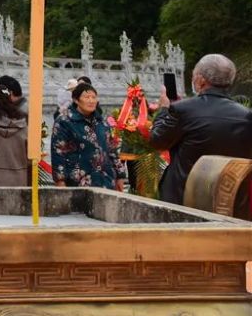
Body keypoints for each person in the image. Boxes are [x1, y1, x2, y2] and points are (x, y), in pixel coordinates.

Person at [150, 54, 252, 206]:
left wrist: (164, 110)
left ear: (201, 80)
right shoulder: (246, 116)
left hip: (186, 197)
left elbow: (157, 141)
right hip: (229, 199)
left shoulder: (182, 110)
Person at [51, 83, 127, 190]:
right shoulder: (64, 121)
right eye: (87, 97)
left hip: (105, 181)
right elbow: (58, 152)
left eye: (94, 97)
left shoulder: (102, 122)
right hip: (77, 182)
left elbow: (111, 150)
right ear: (76, 100)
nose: (91, 101)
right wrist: (60, 181)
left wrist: (120, 176)